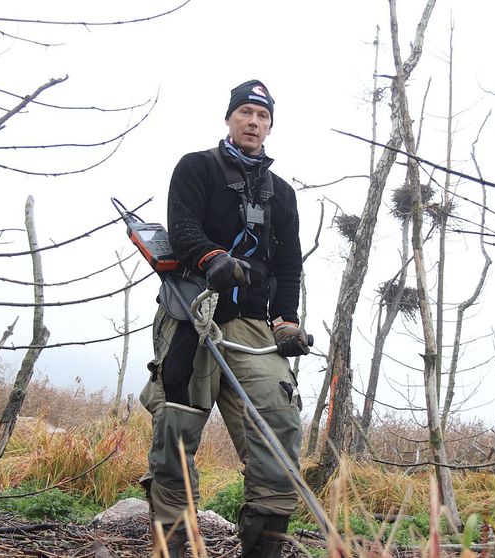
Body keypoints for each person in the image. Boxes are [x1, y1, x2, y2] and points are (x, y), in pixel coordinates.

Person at [140, 79, 309, 558]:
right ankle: (174, 546)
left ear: (270, 126)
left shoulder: (282, 193)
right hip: (193, 314)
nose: (253, 122)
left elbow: (289, 263)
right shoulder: (196, 168)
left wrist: (287, 320)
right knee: (176, 428)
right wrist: (211, 257)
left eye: (262, 116)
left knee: (280, 424)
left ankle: (262, 549)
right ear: (229, 118)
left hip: (255, 325)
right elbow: (184, 227)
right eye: (245, 113)